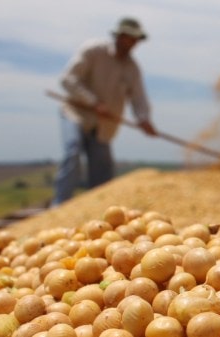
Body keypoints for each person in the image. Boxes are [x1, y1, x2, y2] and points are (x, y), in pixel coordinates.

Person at [51, 17, 158, 206]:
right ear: (119, 36)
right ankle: (59, 206)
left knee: (102, 170)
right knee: (73, 151)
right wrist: (93, 102)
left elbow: (139, 99)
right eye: (128, 38)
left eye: (135, 40)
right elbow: (68, 80)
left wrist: (144, 119)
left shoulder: (132, 68)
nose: (131, 43)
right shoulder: (94, 51)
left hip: (104, 124)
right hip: (76, 113)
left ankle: (98, 212)